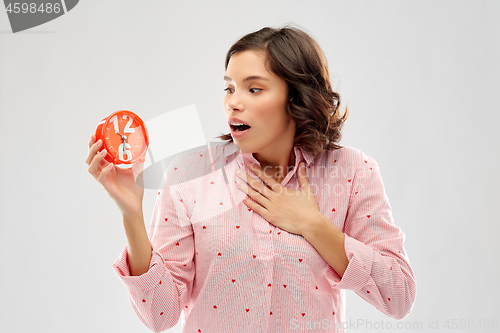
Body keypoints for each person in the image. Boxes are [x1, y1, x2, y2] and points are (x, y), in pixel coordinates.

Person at [86, 26, 416, 333]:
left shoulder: (352, 171)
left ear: (296, 96)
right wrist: (132, 215)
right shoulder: (191, 173)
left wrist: (313, 225)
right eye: (229, 88)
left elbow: (398, 297)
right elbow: (160, 315)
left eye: (253, 88)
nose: (233, 102)